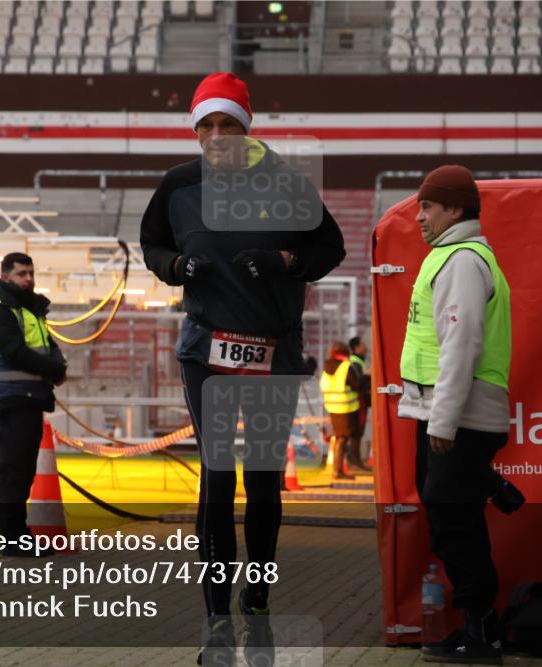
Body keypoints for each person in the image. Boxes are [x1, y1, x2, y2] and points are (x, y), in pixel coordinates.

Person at [140, 72, 345, 666]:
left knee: (260, 481)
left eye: (227, 124)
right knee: (217, 477)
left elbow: (328, 249)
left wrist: (285, 260)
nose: (216, 136)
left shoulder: (286, 182)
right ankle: (216, 614)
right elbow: (151, 243)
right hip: (207, 350)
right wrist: (176, 265)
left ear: (246, 127)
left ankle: (256, 597)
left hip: (272, 349)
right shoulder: (178, 185)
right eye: (206, 126)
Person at [397, 165, 512, 664]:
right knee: (454, 516)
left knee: (453, 522)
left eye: (427, 206)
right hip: (449, 415)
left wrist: (442, 422)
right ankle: (479, 628)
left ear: (455, 210)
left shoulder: (462, 260)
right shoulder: (450, 256)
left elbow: (461, 346)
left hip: (457, 420)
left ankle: (481, 634)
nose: (418, 216)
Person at [0, 252, 67, 556]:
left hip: (30, 396)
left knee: (23, 471)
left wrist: (56, 366)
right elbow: (14, 351)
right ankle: (13, 539)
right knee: (15, 471)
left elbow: (48, 346)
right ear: (5, 277)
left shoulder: (28, 308)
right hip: (12, 397)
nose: (28, 279)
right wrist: (54, 370)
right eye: (21, 274)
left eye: (31, 273)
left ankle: (19, 534)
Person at [319, 341, 362, 480]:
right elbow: (356, 385)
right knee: (342, 439)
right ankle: (337, 471)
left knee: (339, 438)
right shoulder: (345, 366)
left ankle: (338, 470)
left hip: (332, 407)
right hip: (346, 408)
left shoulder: (326, 368)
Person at [347, 335, 372, 472]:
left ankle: (356, 461)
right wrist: (368, 376)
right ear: (356, 347)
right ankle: (355, 462)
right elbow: (357, 384)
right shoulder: (355, 363)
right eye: (363, 344)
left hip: (358, 401)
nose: (365, 347)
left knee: (357, 432)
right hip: (356, 401)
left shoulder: (358, 361)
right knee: (356, 432)